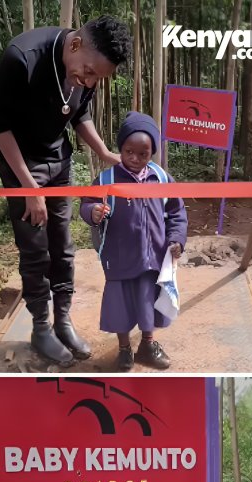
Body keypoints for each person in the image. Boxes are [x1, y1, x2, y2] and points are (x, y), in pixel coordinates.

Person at [0, 16, 132, 365]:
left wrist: (103, 151)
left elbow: (78, 114)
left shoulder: (88, 67)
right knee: (36, 249)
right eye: (87, 71)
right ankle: (41, 328)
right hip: (21, 162)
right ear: (74, 45)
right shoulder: (22, 58)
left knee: (63, 245)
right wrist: (29, 189)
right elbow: (0, 127)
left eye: (97, 77)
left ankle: (62, 321)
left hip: (58, 158)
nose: (89, 80)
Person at [80, 112, 188, 371]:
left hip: (153, 258)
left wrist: (176, 239)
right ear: (121, 148)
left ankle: (147, 345)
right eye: (129, 152)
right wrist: (93, 212)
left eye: (143, 154)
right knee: (119, 307)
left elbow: (176, 212)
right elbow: (87, 202)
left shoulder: (161, 178)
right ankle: (125, 349)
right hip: (119, 257)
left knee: (148, 302)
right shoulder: (107, 179)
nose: (135, 159)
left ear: (152, 152)